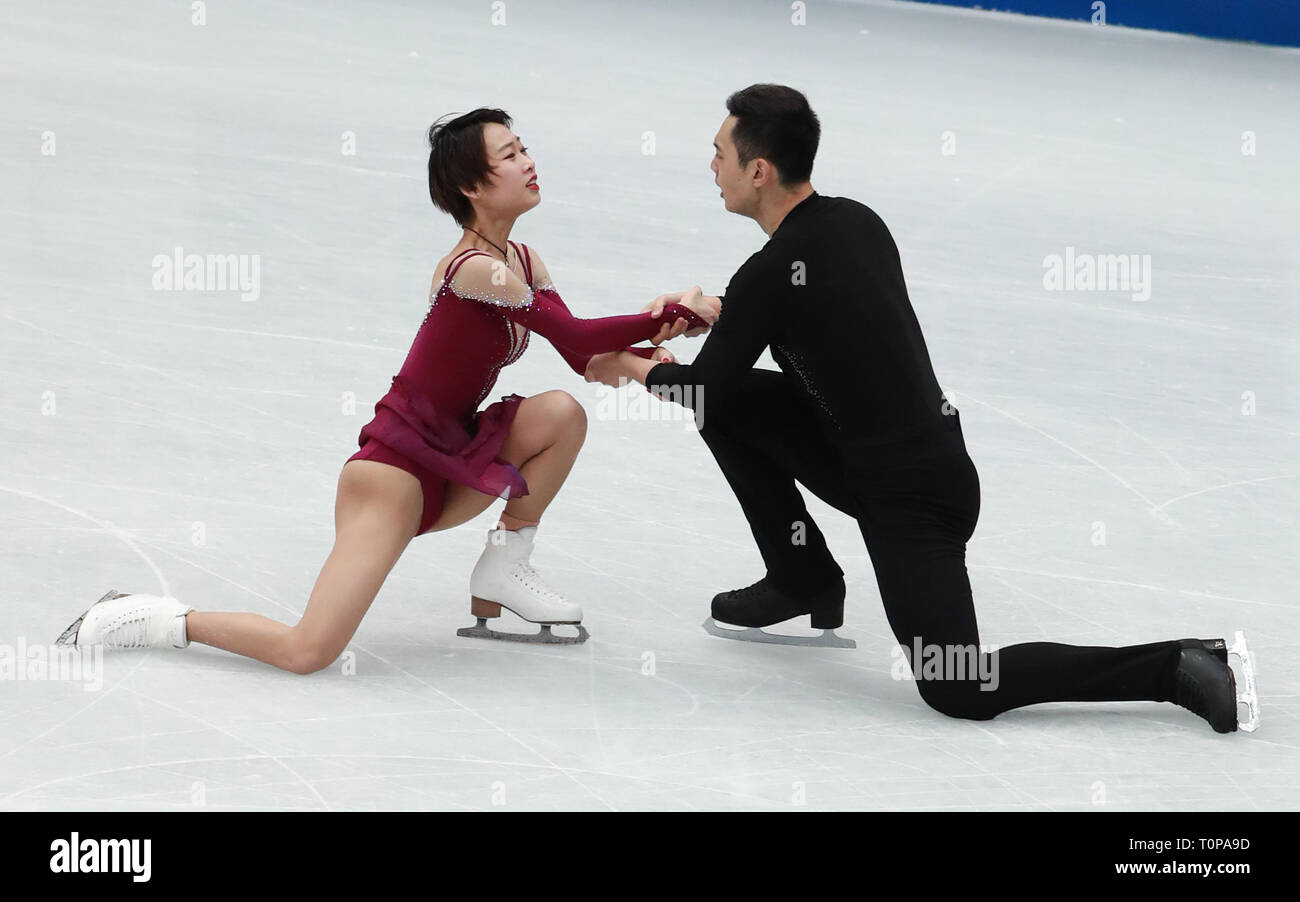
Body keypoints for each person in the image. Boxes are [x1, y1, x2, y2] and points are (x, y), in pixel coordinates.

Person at [584, 84, 1258, 733]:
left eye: (719, 154)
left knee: (959, 685)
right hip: (894, 454)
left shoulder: (771, 273)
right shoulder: (856, 222)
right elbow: (822, 321)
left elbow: (704, 384)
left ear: (757, 170)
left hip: (913, 496)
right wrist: (720, 316)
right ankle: (801, 579)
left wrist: (631, 365)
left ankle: (1174, 666)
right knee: (728, 405)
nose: (711, 167)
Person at [57, 108, 719, 669]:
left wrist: (652, 350)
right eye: (510, 154)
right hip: (394, 475)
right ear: (471, 185)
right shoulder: (475, 269)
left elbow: (581, 356)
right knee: (307, 650)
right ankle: (152, 616)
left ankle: (503, 567)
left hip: (455, 457)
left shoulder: (523, 261)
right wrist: (675, 316)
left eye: (524, 149)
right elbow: (577, 336)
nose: (528, 162)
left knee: (560, 413)